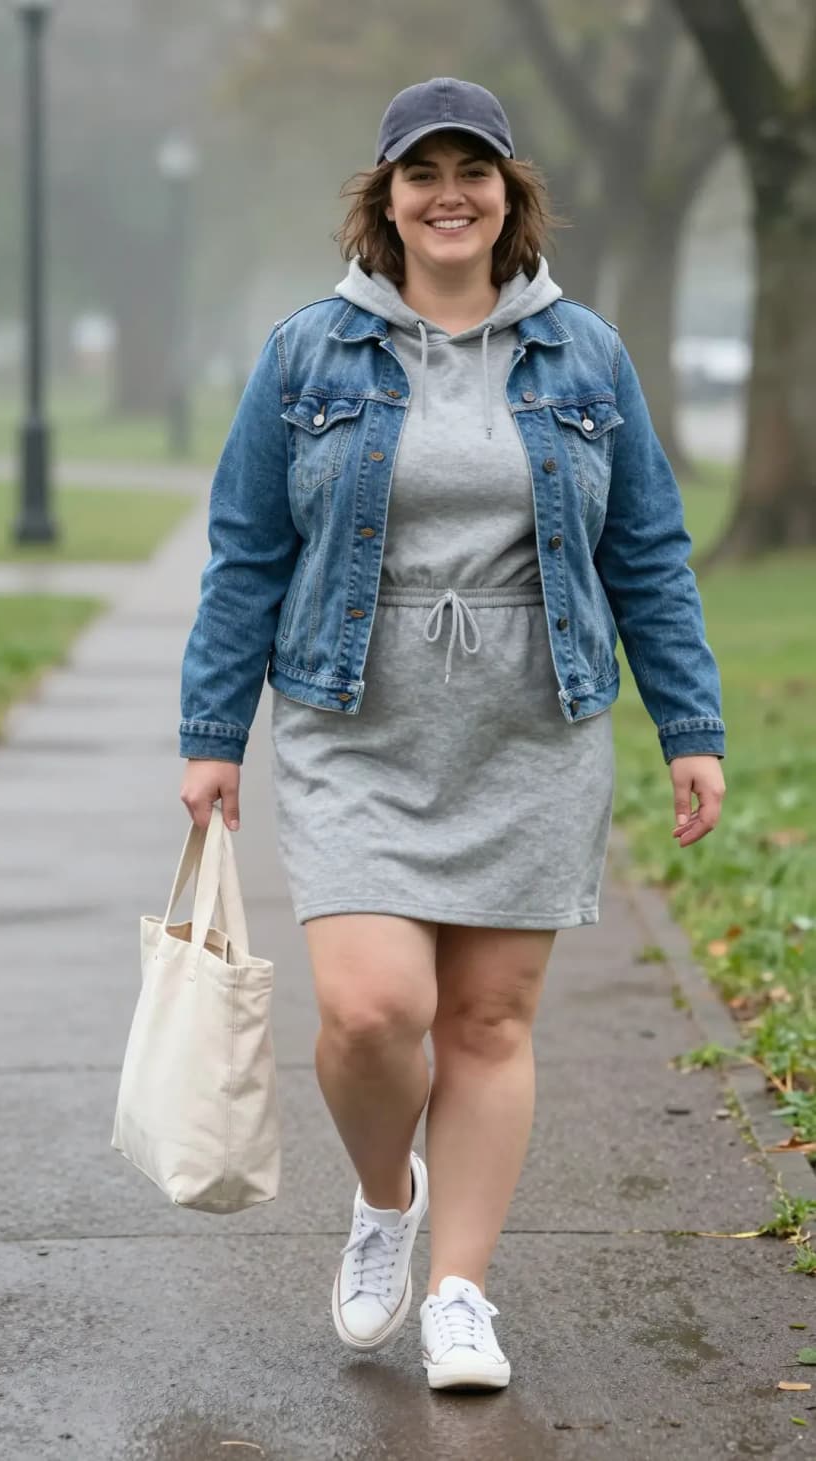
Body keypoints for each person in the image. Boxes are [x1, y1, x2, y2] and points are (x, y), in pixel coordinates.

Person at [178, 77, 726, 1392]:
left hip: (532, 729)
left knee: (487, 1020)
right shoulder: (310, 352)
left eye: (471, 168)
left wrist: (687, 719)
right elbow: (246, 549)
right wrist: (213, 731)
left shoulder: (584, 354)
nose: (448, 192)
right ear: (386, 201)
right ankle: (385, 1198)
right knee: (376, 1010)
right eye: (420, 171)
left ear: (508, 194)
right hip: (352, 722)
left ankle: (461, 1291)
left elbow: (646, 548)